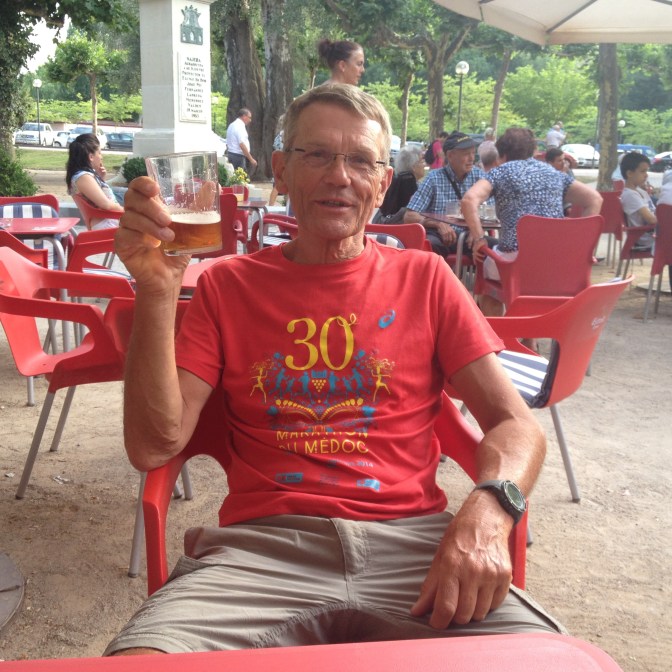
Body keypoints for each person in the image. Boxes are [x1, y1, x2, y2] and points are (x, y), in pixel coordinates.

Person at [106, 83, 562, 657]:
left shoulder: (426, 279)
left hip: (415, 552)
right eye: (317, 154)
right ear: (282, 170)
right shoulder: (227, 286)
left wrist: (490, 510)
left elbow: (517, 426)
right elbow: (153, 445)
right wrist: (156, 290)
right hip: (259, 557)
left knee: (545, 661)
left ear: (382, 184)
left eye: (361, 161)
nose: (339, 176)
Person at [460, 127, 603, 317]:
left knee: (487, 275)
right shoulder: (554, 173)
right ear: (532, 151)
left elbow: (469, 200)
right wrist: (581, 249)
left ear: (502, 155)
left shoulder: (500, 172)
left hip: (515, 263)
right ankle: (533, 331)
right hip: (557, 263)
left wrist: (479, 238)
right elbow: (594, 199)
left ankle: (495, 332)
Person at [404, 131, 493, 256]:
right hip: (441, 237)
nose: (472, 158)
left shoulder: (480, 177)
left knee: (497, 249)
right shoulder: (434, 178)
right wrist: (438, 224)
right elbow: (409, 216)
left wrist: (477, 230)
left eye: (473, 153)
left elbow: (491, 212)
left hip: (470, 237)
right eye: (466, 154)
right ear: (450, 156)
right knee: (429, 245)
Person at [66, 133, 124, 229]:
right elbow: (106, 205)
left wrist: (101, 178)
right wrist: (129, 213)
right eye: (99, 153)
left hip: (109, 221)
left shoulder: (82, 175)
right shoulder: (83, 177)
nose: (101, 157)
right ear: (91, 157)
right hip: (108, 224)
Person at [373, 144, 425, 223]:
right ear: (413, 166)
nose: (424, 165)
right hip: (400, 227)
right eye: (422, 161)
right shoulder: (410, 183)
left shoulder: (395, 180)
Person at [620, 152, 657, 249]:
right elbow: (652, 220)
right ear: (630, 173)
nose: (646, 175)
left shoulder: (640, 191)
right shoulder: (630, 195)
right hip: (646, 239)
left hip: (653, 234)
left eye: (646, 171)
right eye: (643, 171)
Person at [225, 108, 257, 174]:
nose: (250, 120)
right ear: (244, 116)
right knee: (240, 178)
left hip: (231, 154)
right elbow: (242, 144)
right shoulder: (239, 127)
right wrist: (251, 159)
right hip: (238, 157)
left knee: (234, 176)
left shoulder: (231, 125)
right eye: (249, 117)